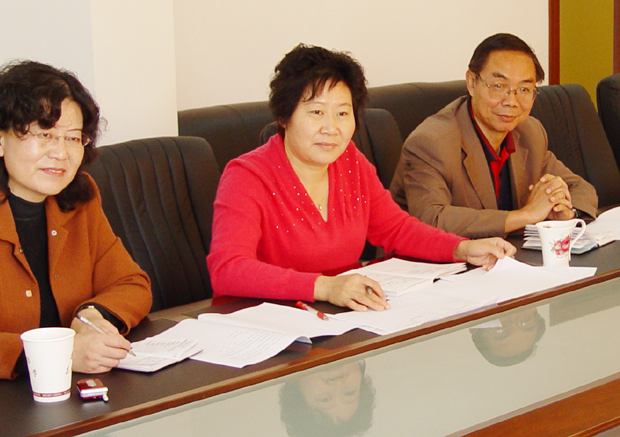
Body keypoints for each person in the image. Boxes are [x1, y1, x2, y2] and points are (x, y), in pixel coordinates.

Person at [207, 44, 515, 312]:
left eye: (342, 113)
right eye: (316, 112)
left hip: (339, 318)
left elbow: (396, 229)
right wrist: (324, 287)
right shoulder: (246, 176)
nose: (331, 128)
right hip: (264, 328)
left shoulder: (350, 162)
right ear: (284, 116)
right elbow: (228, 269)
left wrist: (462, 249)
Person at [0, 61, 152, 379]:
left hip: (77, 389)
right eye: (44, 135)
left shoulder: (79, 198)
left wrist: (92, 316)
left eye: (73, 138)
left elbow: (131, 283)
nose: (61, 153)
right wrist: (58, 354)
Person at [390, 33, 598, 238]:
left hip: (505, 254)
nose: (512, 101)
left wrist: (565, 211)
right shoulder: (431, 142)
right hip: (433, 257)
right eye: (499, 86)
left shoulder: (530, 132)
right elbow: (431, 219)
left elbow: (580, 189)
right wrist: (526, 215)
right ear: (472, 83)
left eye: (524, 89)